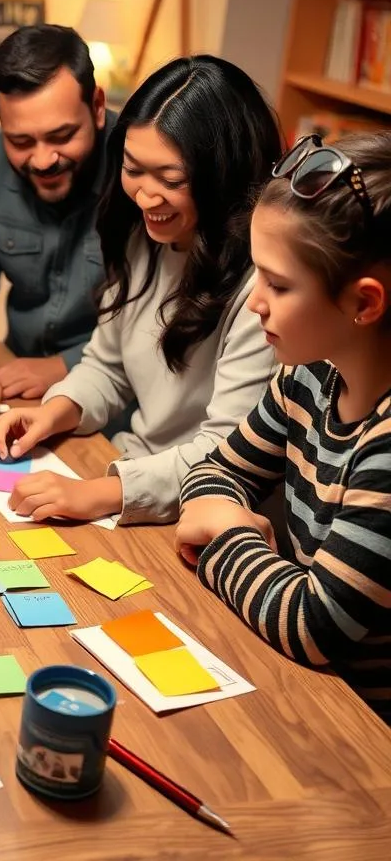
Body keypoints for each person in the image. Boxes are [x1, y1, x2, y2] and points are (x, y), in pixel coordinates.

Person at [0, 56, 281, 525]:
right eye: (133, 169)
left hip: (204, 512)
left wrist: (97, 494)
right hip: (128, 474)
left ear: (223, 175)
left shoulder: (264, 288)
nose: (145, 196)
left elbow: (228, 456)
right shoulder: (143, 237)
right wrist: (53, 412)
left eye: (171, 179)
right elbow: (108, 365)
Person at [177, 130, 391, 725]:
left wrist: (225, 534)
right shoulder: (310, 375)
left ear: (365, 303)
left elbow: (314, 626)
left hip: (363, 732)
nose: (254, 303)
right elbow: (217, 469)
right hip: (300, 686)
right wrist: (229, 514)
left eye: (279, 284)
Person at [0, 25, 118, 431]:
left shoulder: (138, 167)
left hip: (119, 399)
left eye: (62, 135)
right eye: (20, 141)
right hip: (15, 381)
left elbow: (165, 317)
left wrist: (63, 366)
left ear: (98, 106)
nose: (44, 159)